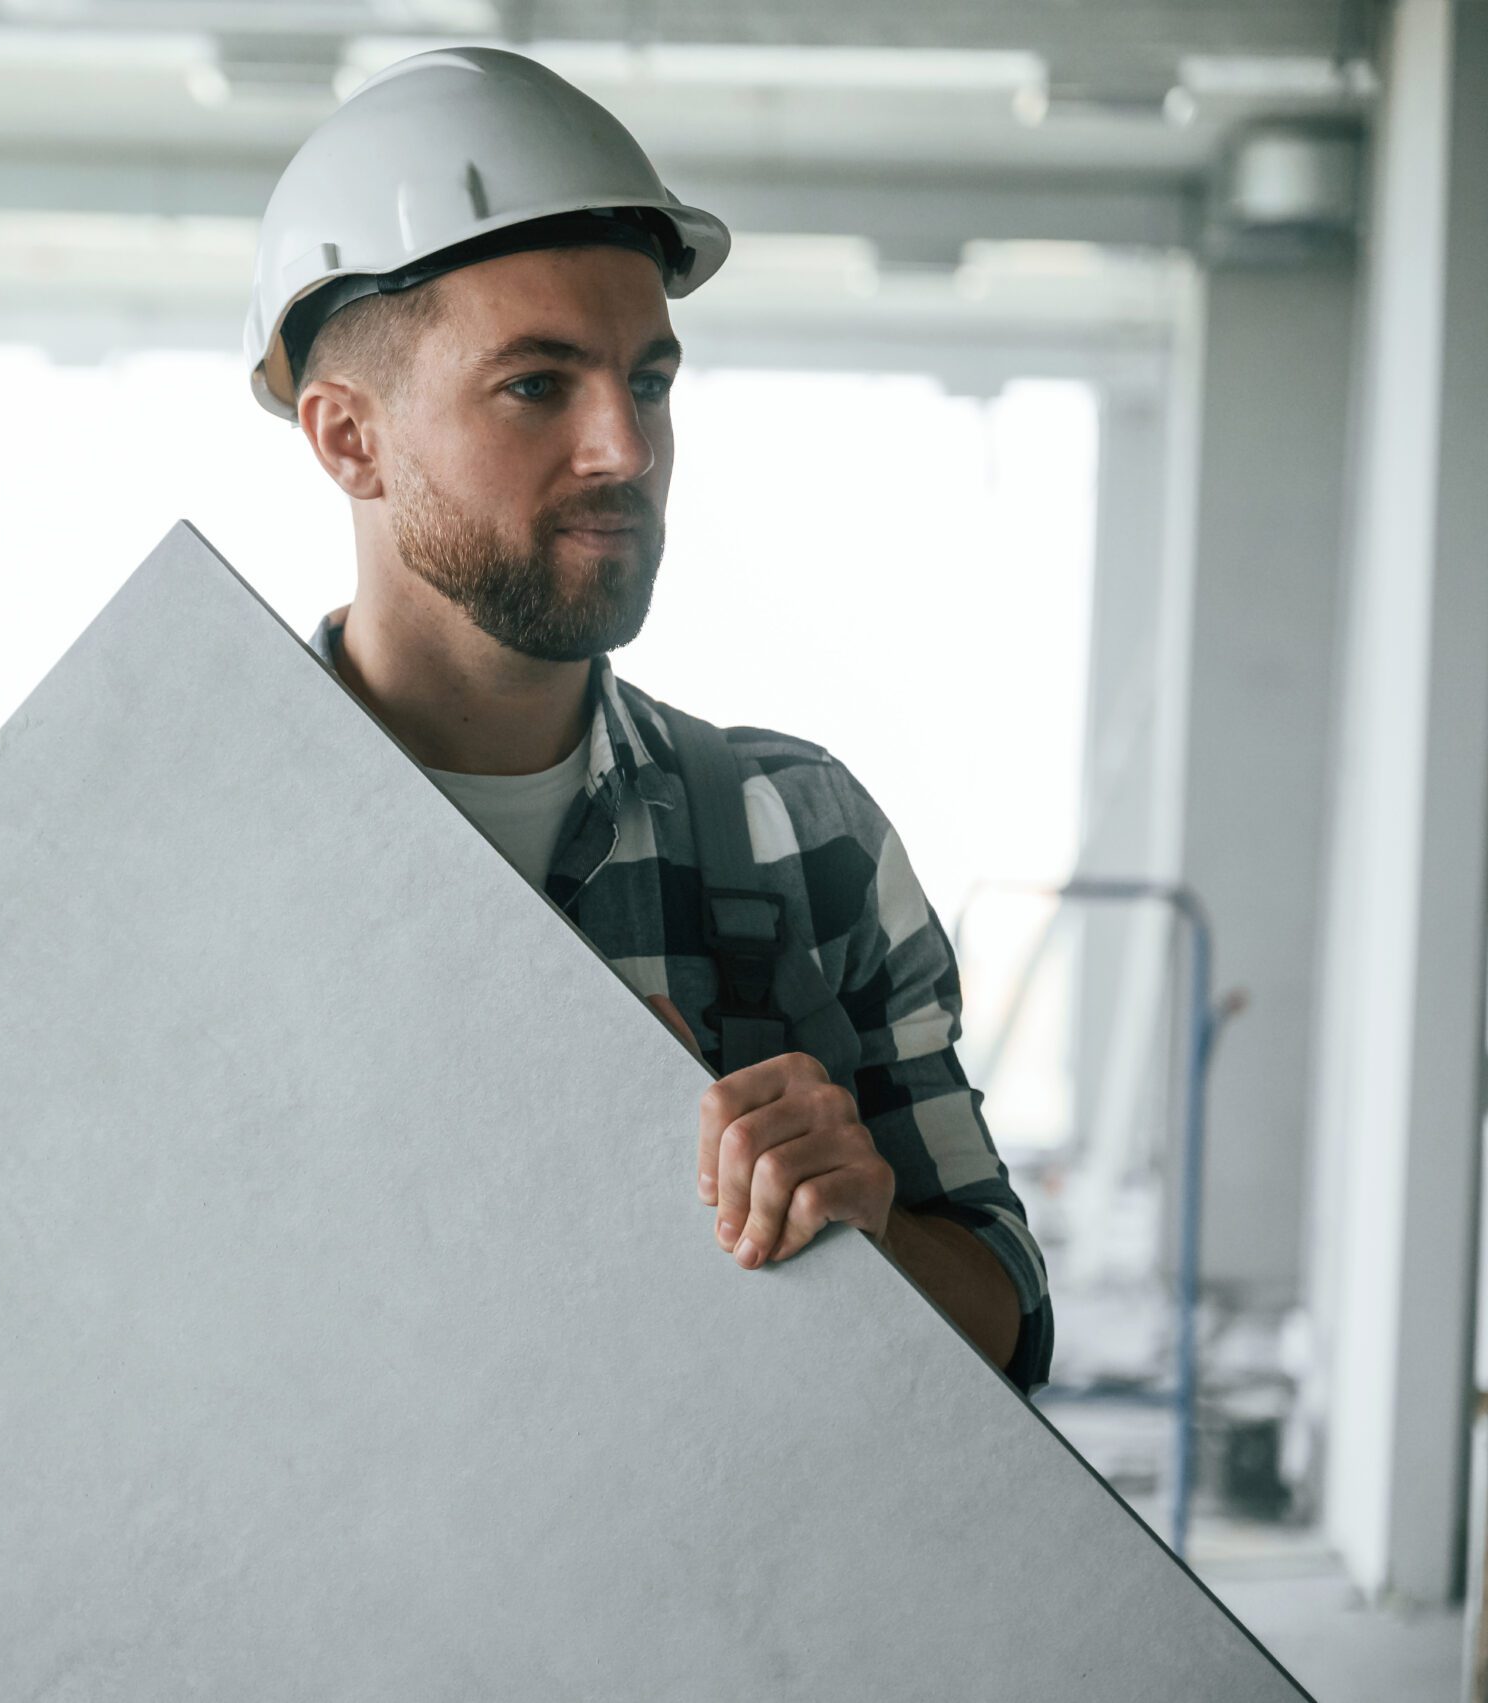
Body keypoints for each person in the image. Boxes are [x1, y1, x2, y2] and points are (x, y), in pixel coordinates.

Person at [246, 44, 1050, 1393]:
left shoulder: (803, 840)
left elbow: (1010, 1327)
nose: (625, 447)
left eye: (653, 381)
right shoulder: (193, 842)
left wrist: (868, 1226)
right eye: (537, 386)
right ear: (349, 440)